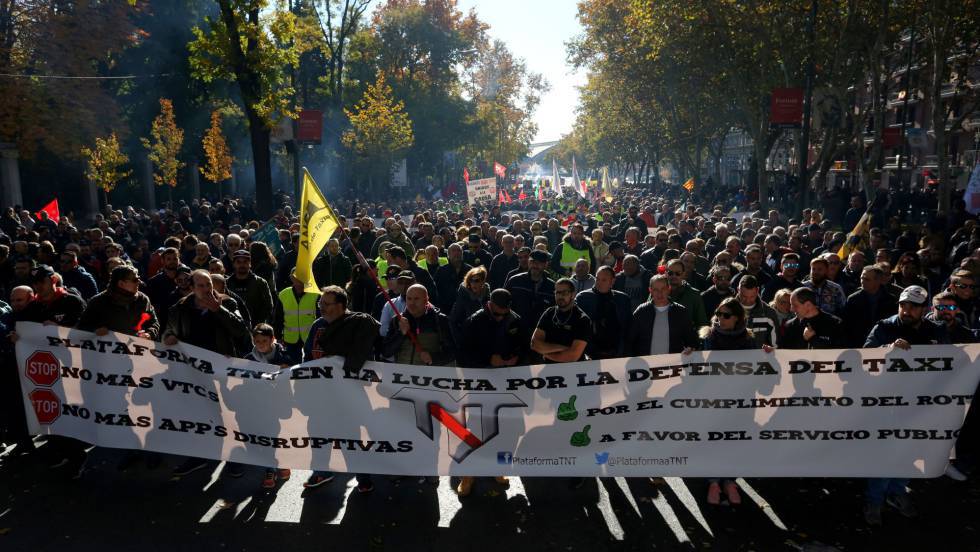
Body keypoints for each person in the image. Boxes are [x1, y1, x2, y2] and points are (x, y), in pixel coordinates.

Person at [862, 285, 950, 525]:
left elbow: (951, 364)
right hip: (888, 404)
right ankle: (875, 499)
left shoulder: (938, 330)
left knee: (911, 453)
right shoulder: (884, 327)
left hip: (921, 404)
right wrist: (887, 350)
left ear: (924, 308)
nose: (906, 310)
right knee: (885, 453)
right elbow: (865, 357)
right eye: (903, 305)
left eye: (913, 306)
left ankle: (897, 491)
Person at [164, 270, 250, 478]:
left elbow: (242, 332)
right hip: (194, 372)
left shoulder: (227, 304)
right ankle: (201, 455)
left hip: (223, 371)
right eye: (201, 285)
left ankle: (235, 457)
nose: (207, 289)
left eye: (209, 284)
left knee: (229, 415)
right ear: (191, 288)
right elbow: (168, 331)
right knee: (200, 415)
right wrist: (167, 337)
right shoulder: (180, 308)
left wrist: (218, 311)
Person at [303, 285, 380, 492]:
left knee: (351, 437)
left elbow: (364, 358)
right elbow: (308, 355)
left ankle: (363, 477)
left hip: (349, 396)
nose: (322, 308)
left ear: (341, 306)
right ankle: (321, 471)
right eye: (320, 303)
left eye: (326, 304)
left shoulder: (357, 325)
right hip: (320, 395)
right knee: (318, 435)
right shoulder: (318, 326)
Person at [455, 289, 525, 497]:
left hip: (506, 384)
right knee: (474, 431)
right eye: (498, 313)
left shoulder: (515, 320)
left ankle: (498, 468)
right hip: (479, 385)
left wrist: (516, 359)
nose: (502, 316)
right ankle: (468, 475)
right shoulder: (473, 322)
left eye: (506, 312)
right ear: (490, 304)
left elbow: (524, 346)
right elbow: (462, 355)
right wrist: (487, 360)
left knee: (507, 431)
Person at [698, 297, 767, 506]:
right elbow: (700, 365)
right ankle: (713, 481)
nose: (720, 318)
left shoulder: (749, 340)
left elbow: (757, 368)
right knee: (714, 439)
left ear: (737, 318)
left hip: (741, 399)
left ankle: (729, 480)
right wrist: (689, 356)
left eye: (725, 315)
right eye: (718, 313)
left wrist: (769, 356)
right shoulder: (708, 336)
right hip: (714, 399)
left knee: (735, 440)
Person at [243, 323, 294, 488]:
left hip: (280, 404)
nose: (260, 344)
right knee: (265, 437)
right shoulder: (248, 359)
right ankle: (270, 469)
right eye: (256, 341)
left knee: (279, 435)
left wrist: (286, 370)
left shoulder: (286, 355)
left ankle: (282, 461)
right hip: (259, 407)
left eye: (264, 340)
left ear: (273, 339)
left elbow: (296, 375)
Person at [626, 274, 699, 357]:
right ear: (650, 290)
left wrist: (691, 348)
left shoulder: (681, 311)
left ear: (669, 289)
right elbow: (630, 340)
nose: (659, 293)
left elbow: (692, 340)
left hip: (673, 365)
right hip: (646, 366)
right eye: (656, 290)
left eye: (663, 289)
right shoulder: (641, 311)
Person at [382, 284, 455, 366]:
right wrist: (401, 333)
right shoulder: (397, 320)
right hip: (401, 376)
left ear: (426, 300)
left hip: (429, 377)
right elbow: (386, 352)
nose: (412, 303)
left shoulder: (440, 320)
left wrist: (433, 358)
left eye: (416, 299)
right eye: (409, 299)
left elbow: (452, 353)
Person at [530, 278, 591, 363]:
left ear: (573, 294)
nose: (560, 296)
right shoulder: (549, 313)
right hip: (547, 369)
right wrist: (562, 348)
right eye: (557, 292)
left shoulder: (582, 319)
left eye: (565, 292)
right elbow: (534, 344)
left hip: (573, 370)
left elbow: (572, 357)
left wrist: (545, 353)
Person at [576, 266, 632, 359]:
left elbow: (627, 326)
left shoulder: (622, 299)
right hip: (590, 353)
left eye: (604, 280)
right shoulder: (583, 298)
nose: (599, 283)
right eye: (597, 279)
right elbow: (578, 327)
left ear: (613, 281)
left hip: (616, 352)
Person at [842, 265, 898, 347]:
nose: (862, 281)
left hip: (883, 345)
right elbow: (847, 326)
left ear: (878, 281)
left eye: (866, 279)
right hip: (857, 345)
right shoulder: (853, 300)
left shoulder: (890, 300)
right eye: (861, 278)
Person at [274, 269, 320, 363]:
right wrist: (278, 336)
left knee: (310, 363)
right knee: (292, 364)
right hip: (290, 338)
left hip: (310, 337)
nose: (299, 281)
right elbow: (278, 317)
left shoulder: (315, 294)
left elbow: (320, 317)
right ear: (291, 278)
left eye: (302, 278)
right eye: (296, 278)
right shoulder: (283, 294)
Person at [506, 249, 556, 333]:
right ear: (529, 262)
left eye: (539, 262)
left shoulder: (552, 287)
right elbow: (504, 303)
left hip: (540, 332)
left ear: (546, 265)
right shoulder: (515, 281)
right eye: (532, 261)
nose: (535, 265)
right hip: (516, 330)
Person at [778, 287, 843, 349]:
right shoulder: (789, 326)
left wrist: (814, 339)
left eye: (795, 305)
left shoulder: (835, 323)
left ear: (808, 305)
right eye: (791, 305)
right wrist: (770, 350)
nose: (791, 309)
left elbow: (842, 352)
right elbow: (782, 352)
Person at [226, 249, 274, 325]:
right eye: (238, 262)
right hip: (232, 328)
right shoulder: (226, 283)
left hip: (255, 328)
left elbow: (268, 306)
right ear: (234, 264)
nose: (242, 265)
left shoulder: (260, 282)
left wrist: (257, 323)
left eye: (245, 262)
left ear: (250, 264)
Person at [449, 266, 489, 346]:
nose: (473, 283)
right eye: (471, 280)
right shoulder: (463, 299)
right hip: (469, 343)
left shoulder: (488, 297)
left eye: (477, 280)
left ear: (483, 281)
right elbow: (452, 321)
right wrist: (460, 342)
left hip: (485, 342)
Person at [665, 259, 708, 331]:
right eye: (670, 273)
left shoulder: (694, 294)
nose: (674, 276)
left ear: (683, 274)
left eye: (678, 273)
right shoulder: (658, 291)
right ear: (666, 274)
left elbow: (702, 322)